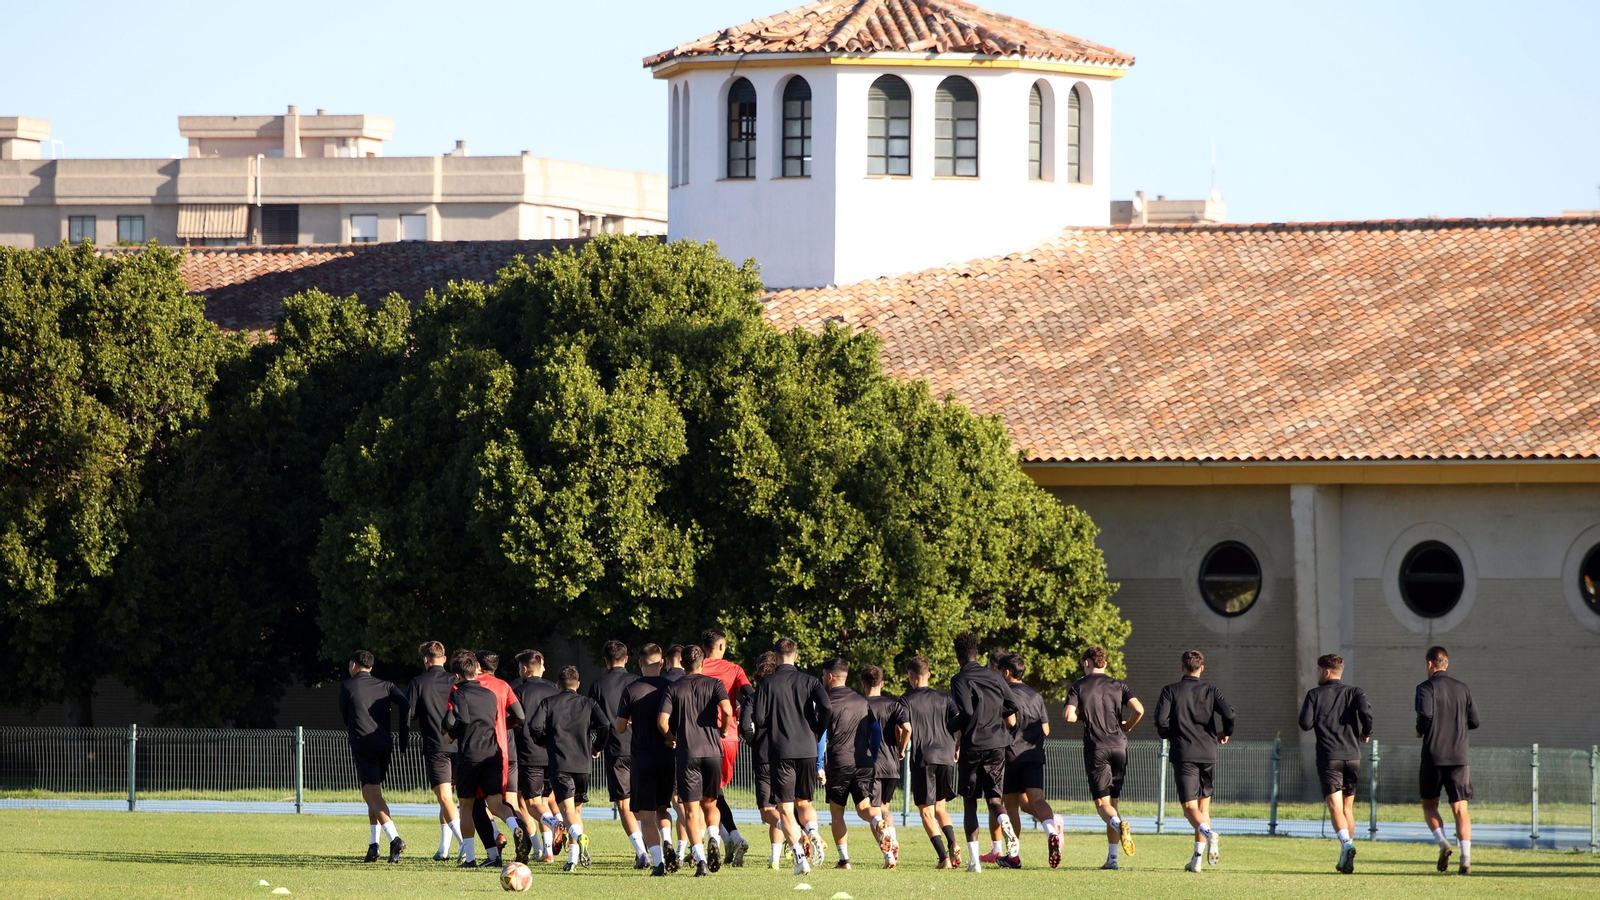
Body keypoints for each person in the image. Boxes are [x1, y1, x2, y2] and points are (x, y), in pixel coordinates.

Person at [749, 637, 833, 876]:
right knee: (804, 802)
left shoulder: (766, 682)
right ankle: (812, 831)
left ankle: (800, 859)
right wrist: (816, 731)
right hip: (807, 749)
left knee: (785, 808)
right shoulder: (810, 680)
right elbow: (827, 707)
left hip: (781, 750)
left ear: (775, 657)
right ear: (796, 656)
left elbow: (759, 717)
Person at [1154, 649, 1235, 873]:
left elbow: (1160, 720)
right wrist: (1225, 732)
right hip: (1208, 752)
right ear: (1202, 668)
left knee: (1189, 807)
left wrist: (1170, 735)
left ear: (1182, 668)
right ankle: (1197, 860)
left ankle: (1209, 833)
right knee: (1203, 807)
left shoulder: (1170, 690)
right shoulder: (1211, 691)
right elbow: (1229, 714)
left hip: (1185, 754)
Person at [442, 654, 526, 869]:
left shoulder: (459, 693)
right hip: (493, 753)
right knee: (497, 804)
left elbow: (461, 720)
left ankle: (470, 858)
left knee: (467, 806)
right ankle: (515, 827)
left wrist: (451, 734)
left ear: (457, 675)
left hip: (470, 755)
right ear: (475, 670)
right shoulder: (490, 694)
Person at [658, 645, 735, 877]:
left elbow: (662, 722)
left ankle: (701, 860)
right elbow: (727, 710)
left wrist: (671, 738)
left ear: (682, 663)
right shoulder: (715, 684)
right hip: (712, 752)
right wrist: (723, 730)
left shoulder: (673, 687)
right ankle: (713, 837)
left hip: (687, 753)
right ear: (702, 663)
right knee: (711, 804)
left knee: (691, 811)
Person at [1065, 645, 1143, 870]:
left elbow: (1069, 716)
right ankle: (1112, 859)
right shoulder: (1119, 685)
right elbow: (1139, 709)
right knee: (1113, 803)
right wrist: (1127, 726)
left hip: (1097, 748)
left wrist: (1085, 713)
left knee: (1102, 804)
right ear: (1105, 664)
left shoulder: (1079, 686)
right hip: (1119, 746)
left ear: (1086, 663)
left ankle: (1119, 825)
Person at [527, 665, 609, 872]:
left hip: (561, 764)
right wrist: (597, 746)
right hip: (583, 765)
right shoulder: (588, 703)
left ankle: (579, 837)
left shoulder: (549, 702)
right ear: (578, 684)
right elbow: (605, 725)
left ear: (557, 685)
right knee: (577, 811)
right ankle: (572, 860)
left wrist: (543, 742)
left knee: (567, 811)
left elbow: (534, 726)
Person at [948, 634, 1018, 873]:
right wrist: (993, 715)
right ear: (976, 652)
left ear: (958, 655)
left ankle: (974, 862)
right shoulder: (995, 676)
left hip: (973, 745)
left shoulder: (959, 679)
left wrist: (950, 725)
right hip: (998, 744)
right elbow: (1013, 705)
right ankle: (1004, 821)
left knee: (970, 802)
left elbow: (966, 712)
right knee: (995, 800)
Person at [1299, 652, 1373, 875]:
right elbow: (1366, 712)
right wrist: (1366, 732)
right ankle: (1345, 855)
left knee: (1335, 807)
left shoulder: (1314, 694)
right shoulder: (1355, 692)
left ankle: (1347, 845)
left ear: (1326, 672)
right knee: (1348, 807)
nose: (1317, 673)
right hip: (1353, 756)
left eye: (1318, 670)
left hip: (1329, 757)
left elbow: (1304, 724)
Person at [339, 650, 410, 864]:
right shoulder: (386, 685)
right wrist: (403, 736)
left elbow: (345, 716)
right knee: (372, 793)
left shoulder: (347, 686)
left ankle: (394, 837)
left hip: (363, 744)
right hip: (384, 744)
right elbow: (405, 704)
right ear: (371, 667)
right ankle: (373, 845)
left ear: (354, 665)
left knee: (372, 795)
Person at [616, 643, 679, 876]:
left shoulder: (631, 689)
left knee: (646, 814)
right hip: (668, 755)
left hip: (642, 758)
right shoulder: (672, 687)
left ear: (639, 663)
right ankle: (668, 840)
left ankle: (659, 863)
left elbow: (620, 728)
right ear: (662, 663)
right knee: (664, 809)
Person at [1415, 645, 1478, 875]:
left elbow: (1425, 714)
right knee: (1461, 809)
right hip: (1459, 757)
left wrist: (1420, 730)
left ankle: (1443, 843)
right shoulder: (1462, 688)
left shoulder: (1425, 687)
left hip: (1433, 755)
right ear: (1447, 664)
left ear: (1430, 664)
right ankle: (1465, 857)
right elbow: (1475, 721)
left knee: (1429, 805)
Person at [819, 658, 887, 870]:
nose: (822, 678)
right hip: (863, 762)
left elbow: (820, 736)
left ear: (830, 676)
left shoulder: (826, 701)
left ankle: (844, 860)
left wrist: (819, 764)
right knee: (865, 807)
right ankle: (877, 822)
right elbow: (876, 730)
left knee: (837, 812)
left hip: (839, 762)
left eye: (823, 675)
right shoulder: (861, 700)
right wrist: (872, 755)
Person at [996, 653, 1060, 868]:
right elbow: (1046, 730)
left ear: (1006, 672)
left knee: (1011, 805)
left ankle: (1013, 855)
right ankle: (1051, 832)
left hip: (1011, 754)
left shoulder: (1004, 692)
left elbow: (1011, 722)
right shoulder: (1036, 695)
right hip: (1034, 754)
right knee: (1037, 800)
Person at [588, 640, 648, 868]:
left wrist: (597, 746)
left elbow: (594, 721)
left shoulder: (597, 685)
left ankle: (642, 852)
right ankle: (650, 846)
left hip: (615, 750)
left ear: (606, 660)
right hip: (642, 748)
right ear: (627, 659)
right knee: (642, 804)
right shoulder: (638, 681)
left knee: (624, 805)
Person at [699, 630, 753, 867]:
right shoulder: (735, 669)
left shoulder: (698, 668)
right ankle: (729, 837)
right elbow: (751, 695)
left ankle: (714, 841)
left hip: (703, 736)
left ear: (704, 647)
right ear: (721, 646)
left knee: (704, 796)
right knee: (714, 793)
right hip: (729, 737)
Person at [901, 655, 961, 870]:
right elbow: (961, 721)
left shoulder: (906, 699)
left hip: (924, 758)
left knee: (926, 811)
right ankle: (953, 842)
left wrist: (901, 749)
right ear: (929, 675)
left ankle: (944, 858)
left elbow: (905, 728)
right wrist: (958, 746)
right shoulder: (944, 698)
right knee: (940, 808)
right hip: (946, 756)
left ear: (911, 676)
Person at [407, 641, 463, 861]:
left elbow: (410, 713)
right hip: (460, 745)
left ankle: (464, 843)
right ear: (444, 658)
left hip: (436, 745)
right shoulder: (455, 680)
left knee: (445, 797)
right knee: (448, 799)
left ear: (426, 659)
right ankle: (444, 848)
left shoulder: (418, 682)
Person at [510, 650, 559, 862]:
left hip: (529, 754)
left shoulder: (518, 691)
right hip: (554, 754)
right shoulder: (554, 689)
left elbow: (513, 721)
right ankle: (547, 851)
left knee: (529, 803)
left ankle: (554, 826)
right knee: (545, 801)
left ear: (524, 669)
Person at [473, 650, 522, 866]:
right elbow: (520, 716)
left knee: (475, 804)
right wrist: (504, 723)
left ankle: (492, 855)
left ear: (477, 665)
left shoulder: (471, 684)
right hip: (501, 750)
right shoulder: (503, 685)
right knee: (498, 802)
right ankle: (516, 828)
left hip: (476, 749)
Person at [739, 651, 785, 869]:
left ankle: (792, 831)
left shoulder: (753, 698)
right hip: (787, 755)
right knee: (782, 807)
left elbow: (746, 727)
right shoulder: (785, 697)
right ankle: (775, 858)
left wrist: (754, 742)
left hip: (764, 756)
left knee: (767, 811)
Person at [861, 664, 909, 868]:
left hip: (871, 764)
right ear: (881, 683)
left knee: (873, 812)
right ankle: (894, 838)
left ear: (863, 684)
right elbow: (907, 728)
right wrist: (901, 749)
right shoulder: (894, 705)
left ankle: (888, 855)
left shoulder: (860, 704)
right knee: (884, 809)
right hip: (891, 764)